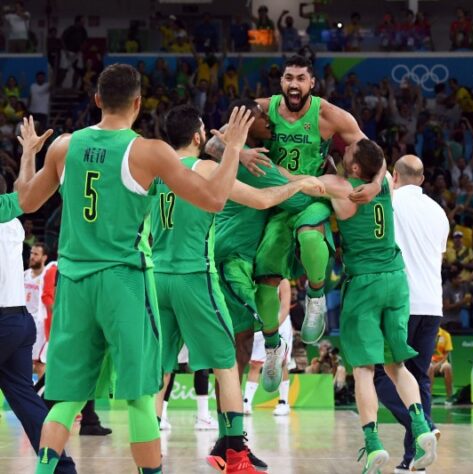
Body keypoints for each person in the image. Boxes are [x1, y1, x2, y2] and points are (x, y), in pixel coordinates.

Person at [13, 63, 251, 474]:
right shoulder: (147, 150)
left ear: (97, 100)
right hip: (124, 282)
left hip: (73, 282)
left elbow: (27, 202)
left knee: (66, 400)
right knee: (141, 396)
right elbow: (213, 198)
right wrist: (233, 149)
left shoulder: (64, 146)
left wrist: (29, 154)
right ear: (139, 104)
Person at [150, 104, 322, 472]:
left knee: (160, 371)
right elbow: (261, 199)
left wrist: (231, 146)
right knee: (227, 363)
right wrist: (301, 183)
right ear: (197, 136)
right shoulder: (209, 170)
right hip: (194, 274)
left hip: (157, 276)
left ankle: (147, 455)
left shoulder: (154, 173)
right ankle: (234, 454)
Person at [319, 139, 437, 473]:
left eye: (349, 155)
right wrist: (372, 177)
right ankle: (422, 427)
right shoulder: (383, 183)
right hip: (396, 281)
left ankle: (373, 446)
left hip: (365, 283)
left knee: (364, 371)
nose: (344, 154)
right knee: (398, 365)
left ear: (355, 167)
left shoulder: (340, 188)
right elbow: (382, 163)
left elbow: (294, 181)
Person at [205, 98, 324, 394]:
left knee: (240, 342)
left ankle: (228, 429)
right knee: (257, 320)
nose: (270, 123)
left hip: (238, 257)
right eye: (263, 119)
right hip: (227, 258)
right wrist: (315, 185)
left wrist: (239, 153)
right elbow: (294, 199)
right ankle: (274, 344)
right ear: (245, 123)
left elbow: (212, 144)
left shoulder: (236, 155)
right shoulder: (255, 162)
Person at [371, 154, 448, 474]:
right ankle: (412, 460)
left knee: (379, 375)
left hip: (400, 302)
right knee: (418, 380)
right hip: (432, 304)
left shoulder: (391, 203)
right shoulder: (439, 212)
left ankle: (423, 427)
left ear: (396, 177)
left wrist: (385, 182)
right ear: (424, 178)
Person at [0, 174, 76, 474]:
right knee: (25, 399)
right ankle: (63, 467)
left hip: (3, 321)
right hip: (20, 322)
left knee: (25, 398)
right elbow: (25, 192)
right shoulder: (15, 225)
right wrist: (29, 154)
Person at [244, 279, 294, 416]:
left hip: (280, 325)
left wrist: (274, 326)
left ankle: (284, 403)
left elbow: (285, 307)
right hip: (261, 324)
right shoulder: (254, 278)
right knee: (255, 364)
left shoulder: (283, 281)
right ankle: (246, 403)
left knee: (281, 363)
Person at [24, 242, 49, 378]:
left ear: (44, 257)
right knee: (22, 363)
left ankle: (39, 396)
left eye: (36, 254)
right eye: (31, 253)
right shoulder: (24, 275)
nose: (32, 257)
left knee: (39, 364)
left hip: (39, 327)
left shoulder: (47, 276)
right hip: (23, 323)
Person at [429, 327, 454, 403]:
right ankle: (428, 397)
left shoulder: (446, 335)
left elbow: (447, 354)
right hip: (429, 362)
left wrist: (439, 363)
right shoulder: (426, 334)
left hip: (442, 363)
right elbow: (423, 351)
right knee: (429, 367)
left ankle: (449, 397)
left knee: (448, 367)